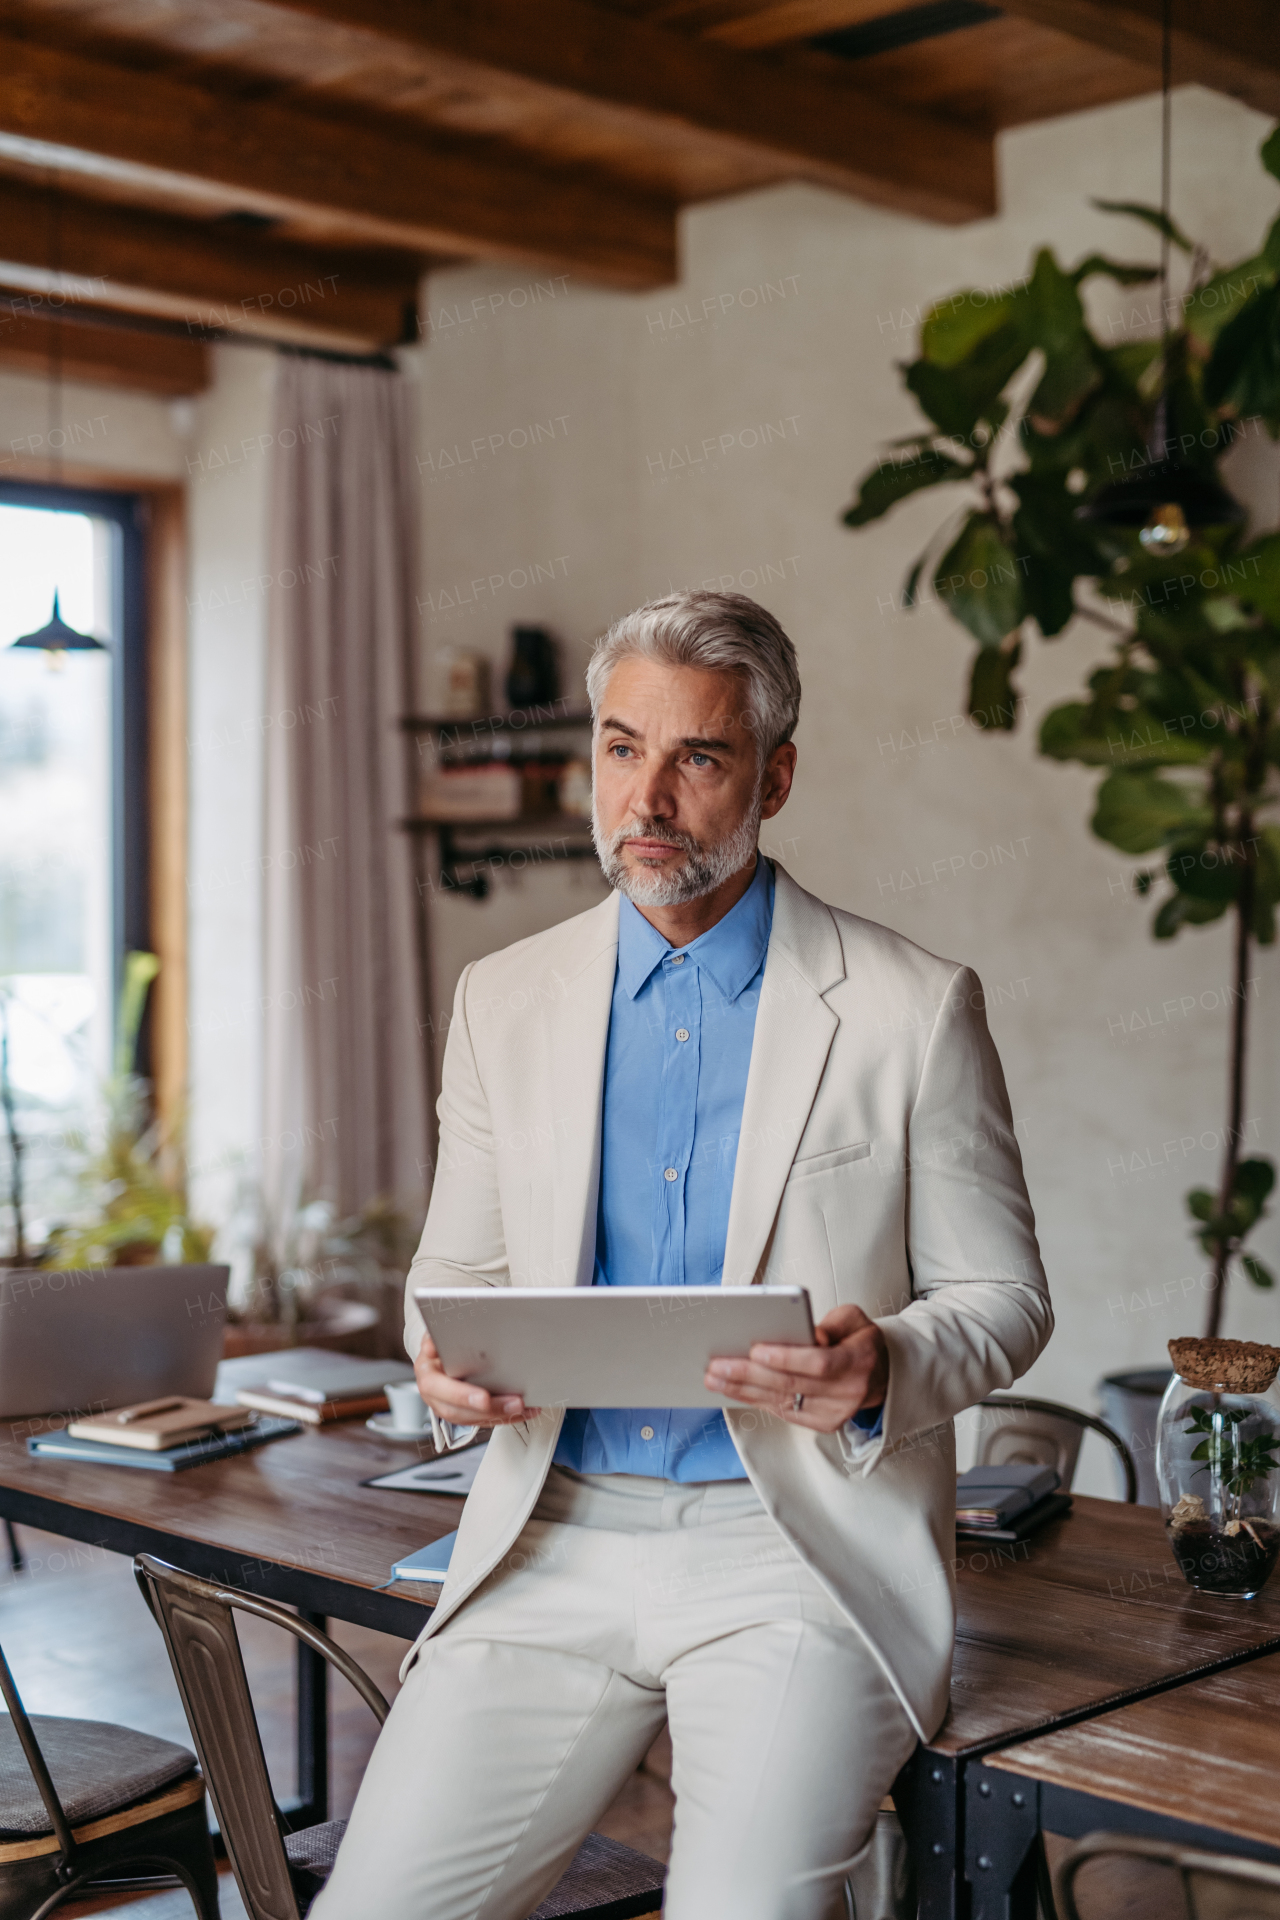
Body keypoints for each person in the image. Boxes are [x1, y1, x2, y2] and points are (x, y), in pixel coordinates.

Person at [312, 591, 1052, 1920]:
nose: (644, 797)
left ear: (775, 776)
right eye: (617, 747)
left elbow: (1005, 1298)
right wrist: (448, 1372)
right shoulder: (502, 1001)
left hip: (796, 1555)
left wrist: (883, 1362)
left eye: (697, 757)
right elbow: (459, 1287)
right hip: (549, 1541)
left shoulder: (911, 1008)